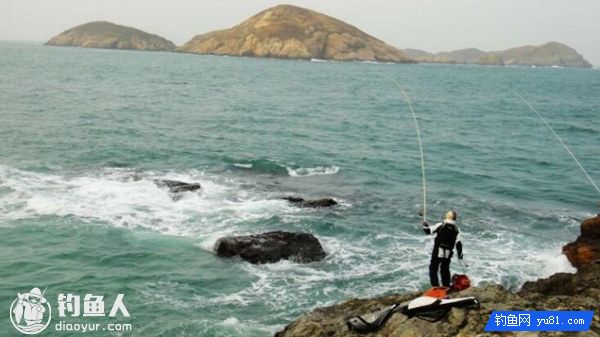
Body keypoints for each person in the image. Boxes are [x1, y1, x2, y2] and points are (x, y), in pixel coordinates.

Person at [422, 211, 463, 287]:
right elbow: (459, 244)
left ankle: (436, 287)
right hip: (448, 253)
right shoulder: (457, 229)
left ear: (447, 217)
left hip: (438, 251)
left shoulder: (441, 225)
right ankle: (446, 287)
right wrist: (460, 255)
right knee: (445, 270)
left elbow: (428, 231)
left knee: (433, 269)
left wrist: (425, 226)